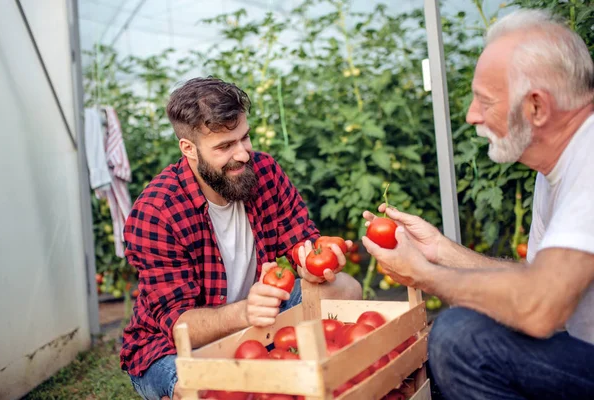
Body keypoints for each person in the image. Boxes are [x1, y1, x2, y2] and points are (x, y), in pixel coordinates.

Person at [362, 9, 594, 400]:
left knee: (460, 338)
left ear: (536, 107)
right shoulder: (555, 168)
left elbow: (540, 307)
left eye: (484, 101)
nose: (471, 115)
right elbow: (536, 281)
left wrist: (425, 275)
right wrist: (440, 253)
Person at [120, 77, 362, 400]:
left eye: (244, 138)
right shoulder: (157, 213)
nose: (243, 154)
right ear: (188, 149)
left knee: (345, 289)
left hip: (256, 316)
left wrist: (312, 261)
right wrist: (245, 312)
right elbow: (180, 325)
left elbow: (300, 240)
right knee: (203, 389)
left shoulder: (264, 172)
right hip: (169, 346)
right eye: (224, 146)